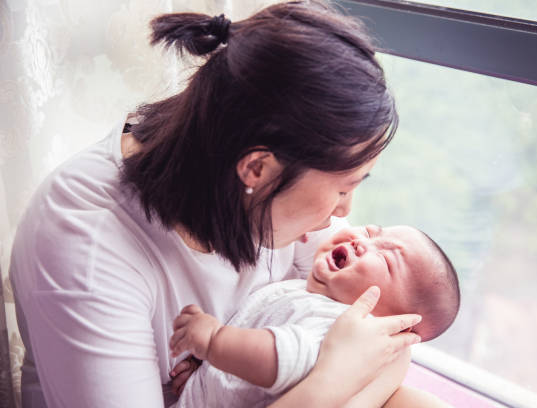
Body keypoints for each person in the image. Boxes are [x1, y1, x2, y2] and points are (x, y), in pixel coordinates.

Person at [8, 1, 424, 407]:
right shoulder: (89, 249)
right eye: (341, 189)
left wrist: (353, 370)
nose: (344, 212)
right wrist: (331, 383)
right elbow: (362, 359)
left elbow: (389, 342)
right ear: (257, 169)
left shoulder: (251, 185)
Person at [168, 224, 459, 407]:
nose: (362, 241)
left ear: (391, 321)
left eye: (384, 258)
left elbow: (280, 358)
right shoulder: (308, 293)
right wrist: (207, 368)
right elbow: (255, 328)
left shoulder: (338, 323)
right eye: (371, 233)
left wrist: (216, 343)